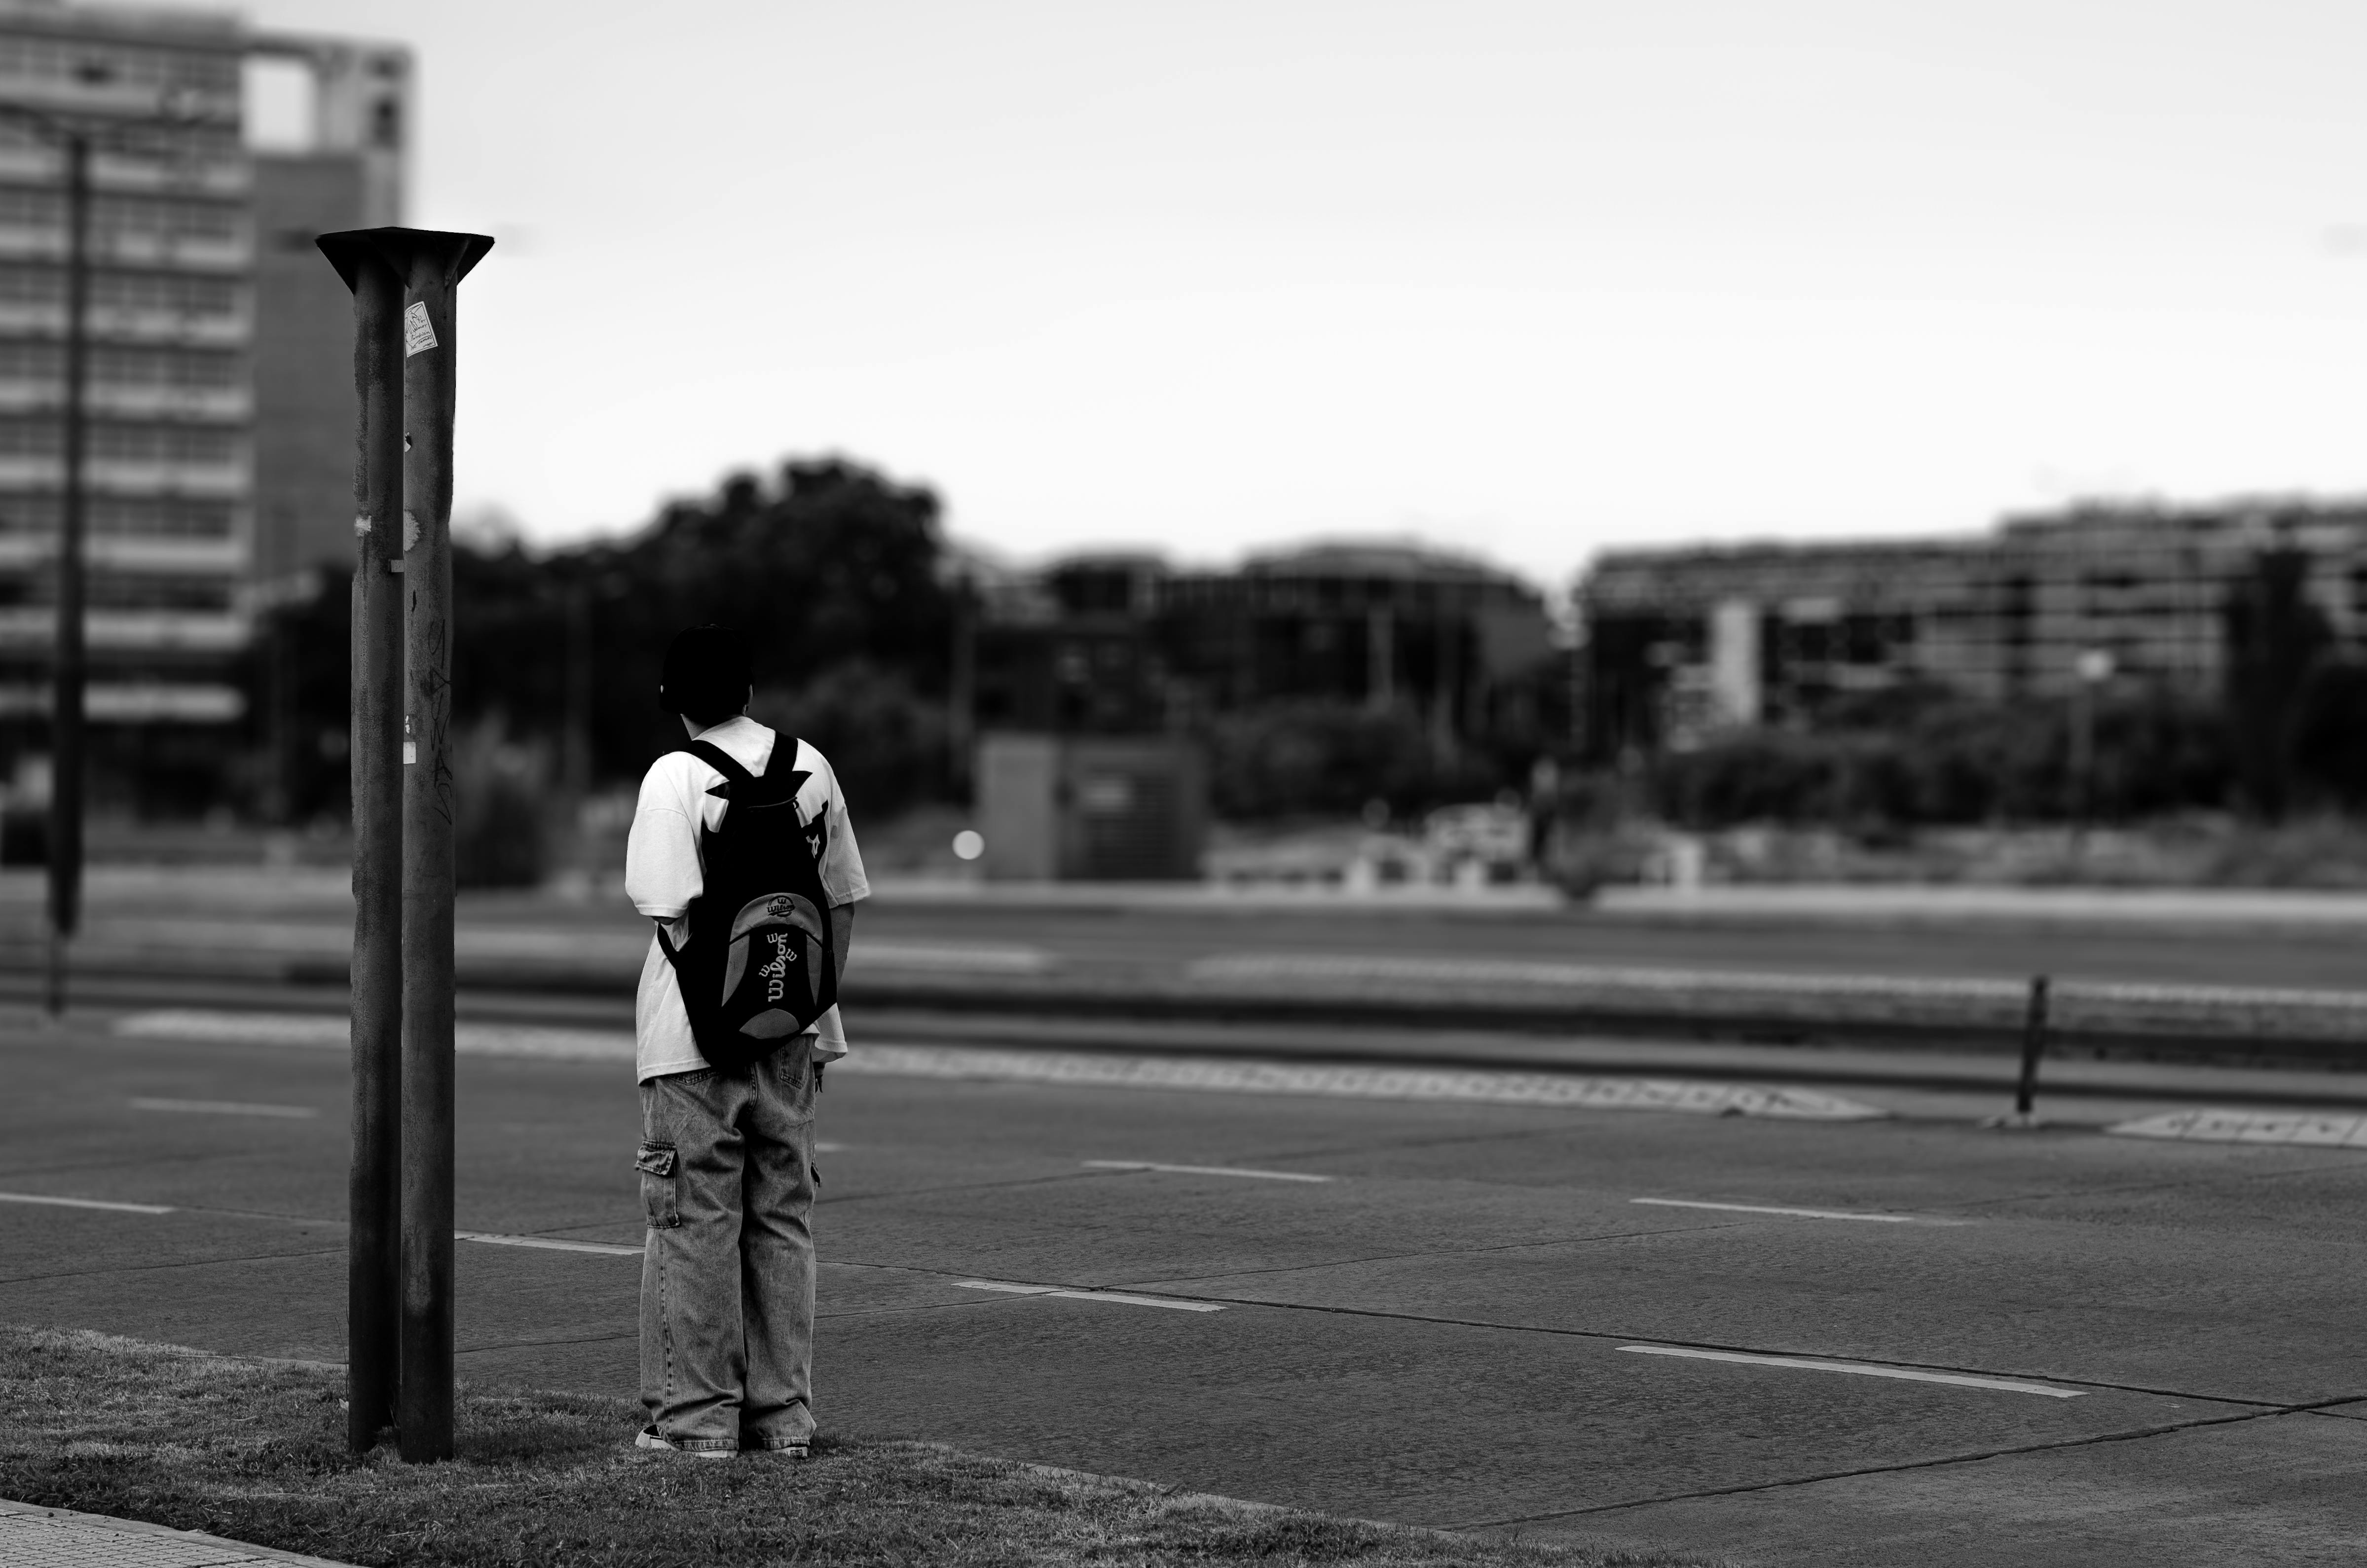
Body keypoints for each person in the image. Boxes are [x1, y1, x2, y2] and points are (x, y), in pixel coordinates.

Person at [624, 624, 869, 1459]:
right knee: (781, 1224)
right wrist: (804, 1011)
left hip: (691, 1045)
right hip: (791, 1036)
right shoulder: (811, 768)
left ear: (674, 703)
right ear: (751, 692)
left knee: (693, 1223)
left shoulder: (675, 777)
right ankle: (782, 1422)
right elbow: (839, 903)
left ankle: (696, 1425)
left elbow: (666, 906)